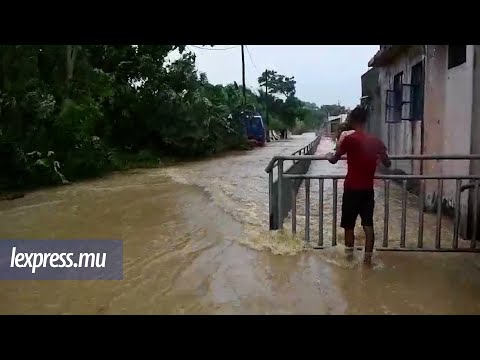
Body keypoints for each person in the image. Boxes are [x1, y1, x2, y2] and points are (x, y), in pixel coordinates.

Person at [326, 106, 391, 265]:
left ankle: (349, 259)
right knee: (368, 225)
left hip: (351, 189)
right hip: (368, 190)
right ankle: (367, 262)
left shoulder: (349, 139)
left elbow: (335, 159)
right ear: (365, 121)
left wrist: (328, 155)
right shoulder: (376, 142)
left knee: (349, 225)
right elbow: (387, 163)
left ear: (353, 120)